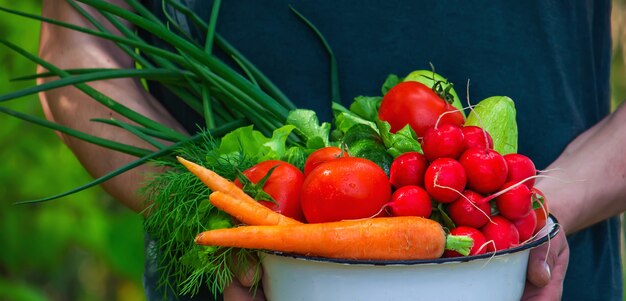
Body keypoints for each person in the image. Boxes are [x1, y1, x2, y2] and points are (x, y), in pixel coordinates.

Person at [38, 0, 624, 300]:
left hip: (529, 282)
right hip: (236, 283)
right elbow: (76, 47)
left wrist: (531, 212)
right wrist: (221, 222)